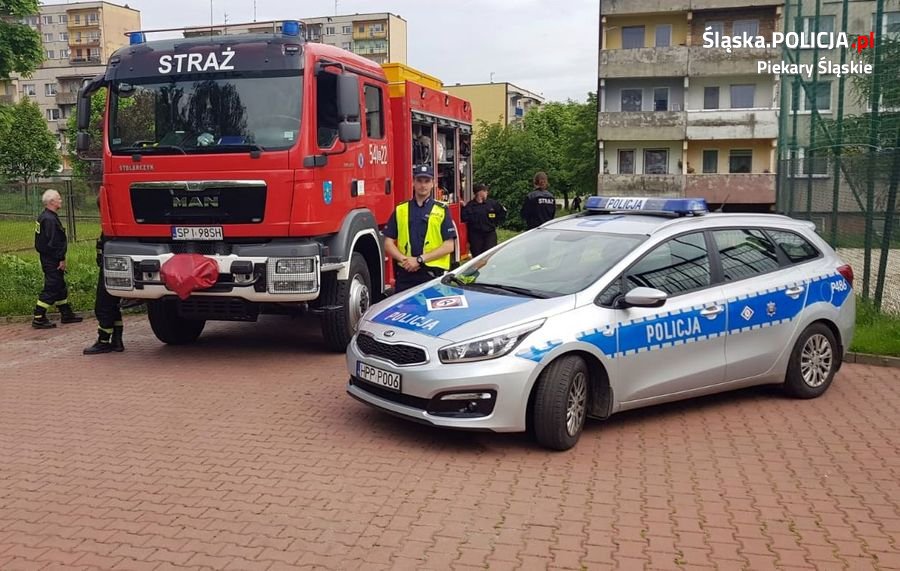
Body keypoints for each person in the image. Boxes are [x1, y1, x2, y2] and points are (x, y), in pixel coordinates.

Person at [384, 165, 457, 293]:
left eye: (427, 181)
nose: (423, 185)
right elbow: (387, 242)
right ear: (413, 182)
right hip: (406, 273)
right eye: (419, 181)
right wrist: (405, 260)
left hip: (432, 273)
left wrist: (419, 260)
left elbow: (449, 246)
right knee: (405, 311)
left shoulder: (441, 210)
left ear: (433, 183)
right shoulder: (401, 209)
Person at [33, 189, 82, 329]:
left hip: (48, 257)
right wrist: (60, 259)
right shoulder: (49, 219)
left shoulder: (45, 217)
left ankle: (66, 314)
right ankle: (38, 316)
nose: (61, 201)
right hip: (52, 259)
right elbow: (54, 242)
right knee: (52, 286)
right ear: (52, 202)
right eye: (59, 199)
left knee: (60, 286)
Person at [83, 228, 125, 354]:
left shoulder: (110, 230)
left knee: (103, 305)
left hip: (110, 266)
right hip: (117, 265)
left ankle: (103, 341)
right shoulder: (113, 229)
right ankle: (117, 341)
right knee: (113, 305)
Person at [461, 183, 507, 256]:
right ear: (480, 192)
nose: (487, 192)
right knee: (477, 257)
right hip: (476, 236)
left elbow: (502, 213)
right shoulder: (470, 206)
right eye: (485, 191)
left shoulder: (492, 204)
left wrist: (495, 224)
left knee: (489, 255)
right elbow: (464, 218)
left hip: (489, 234)